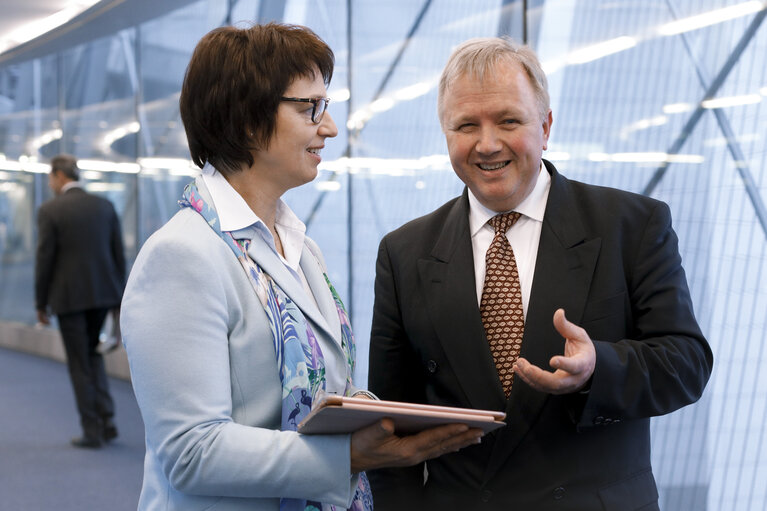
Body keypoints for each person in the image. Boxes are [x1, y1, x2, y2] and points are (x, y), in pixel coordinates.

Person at [120, 23, 482, 511]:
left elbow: (324, 390)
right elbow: (190, 451)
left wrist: (377, 417)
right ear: (247, 119)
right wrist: (347, 455)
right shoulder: (182, 256)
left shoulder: (299, 246)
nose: (328, 128)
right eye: (310, 108)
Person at [367, 37, 714, 510]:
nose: (488, 145)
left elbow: (687, 363)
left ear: (546, 126)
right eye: (466, 125)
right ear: (445, 134)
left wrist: (599, 369)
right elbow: (392, 428)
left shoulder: (630, 225)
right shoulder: (404, 253)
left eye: (509, 121)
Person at [35, 154, 125, 448]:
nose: (49, 183)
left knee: (78, 363)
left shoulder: (51, 210)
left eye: (50, 177)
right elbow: (117, 256)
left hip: (69, 299)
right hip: (102, 296)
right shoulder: (105, 206)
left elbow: (45, 260)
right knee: (93, 354)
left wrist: (41, 303)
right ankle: (108, 420)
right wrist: (118, 297)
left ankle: (92, 430)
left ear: (60, 176)